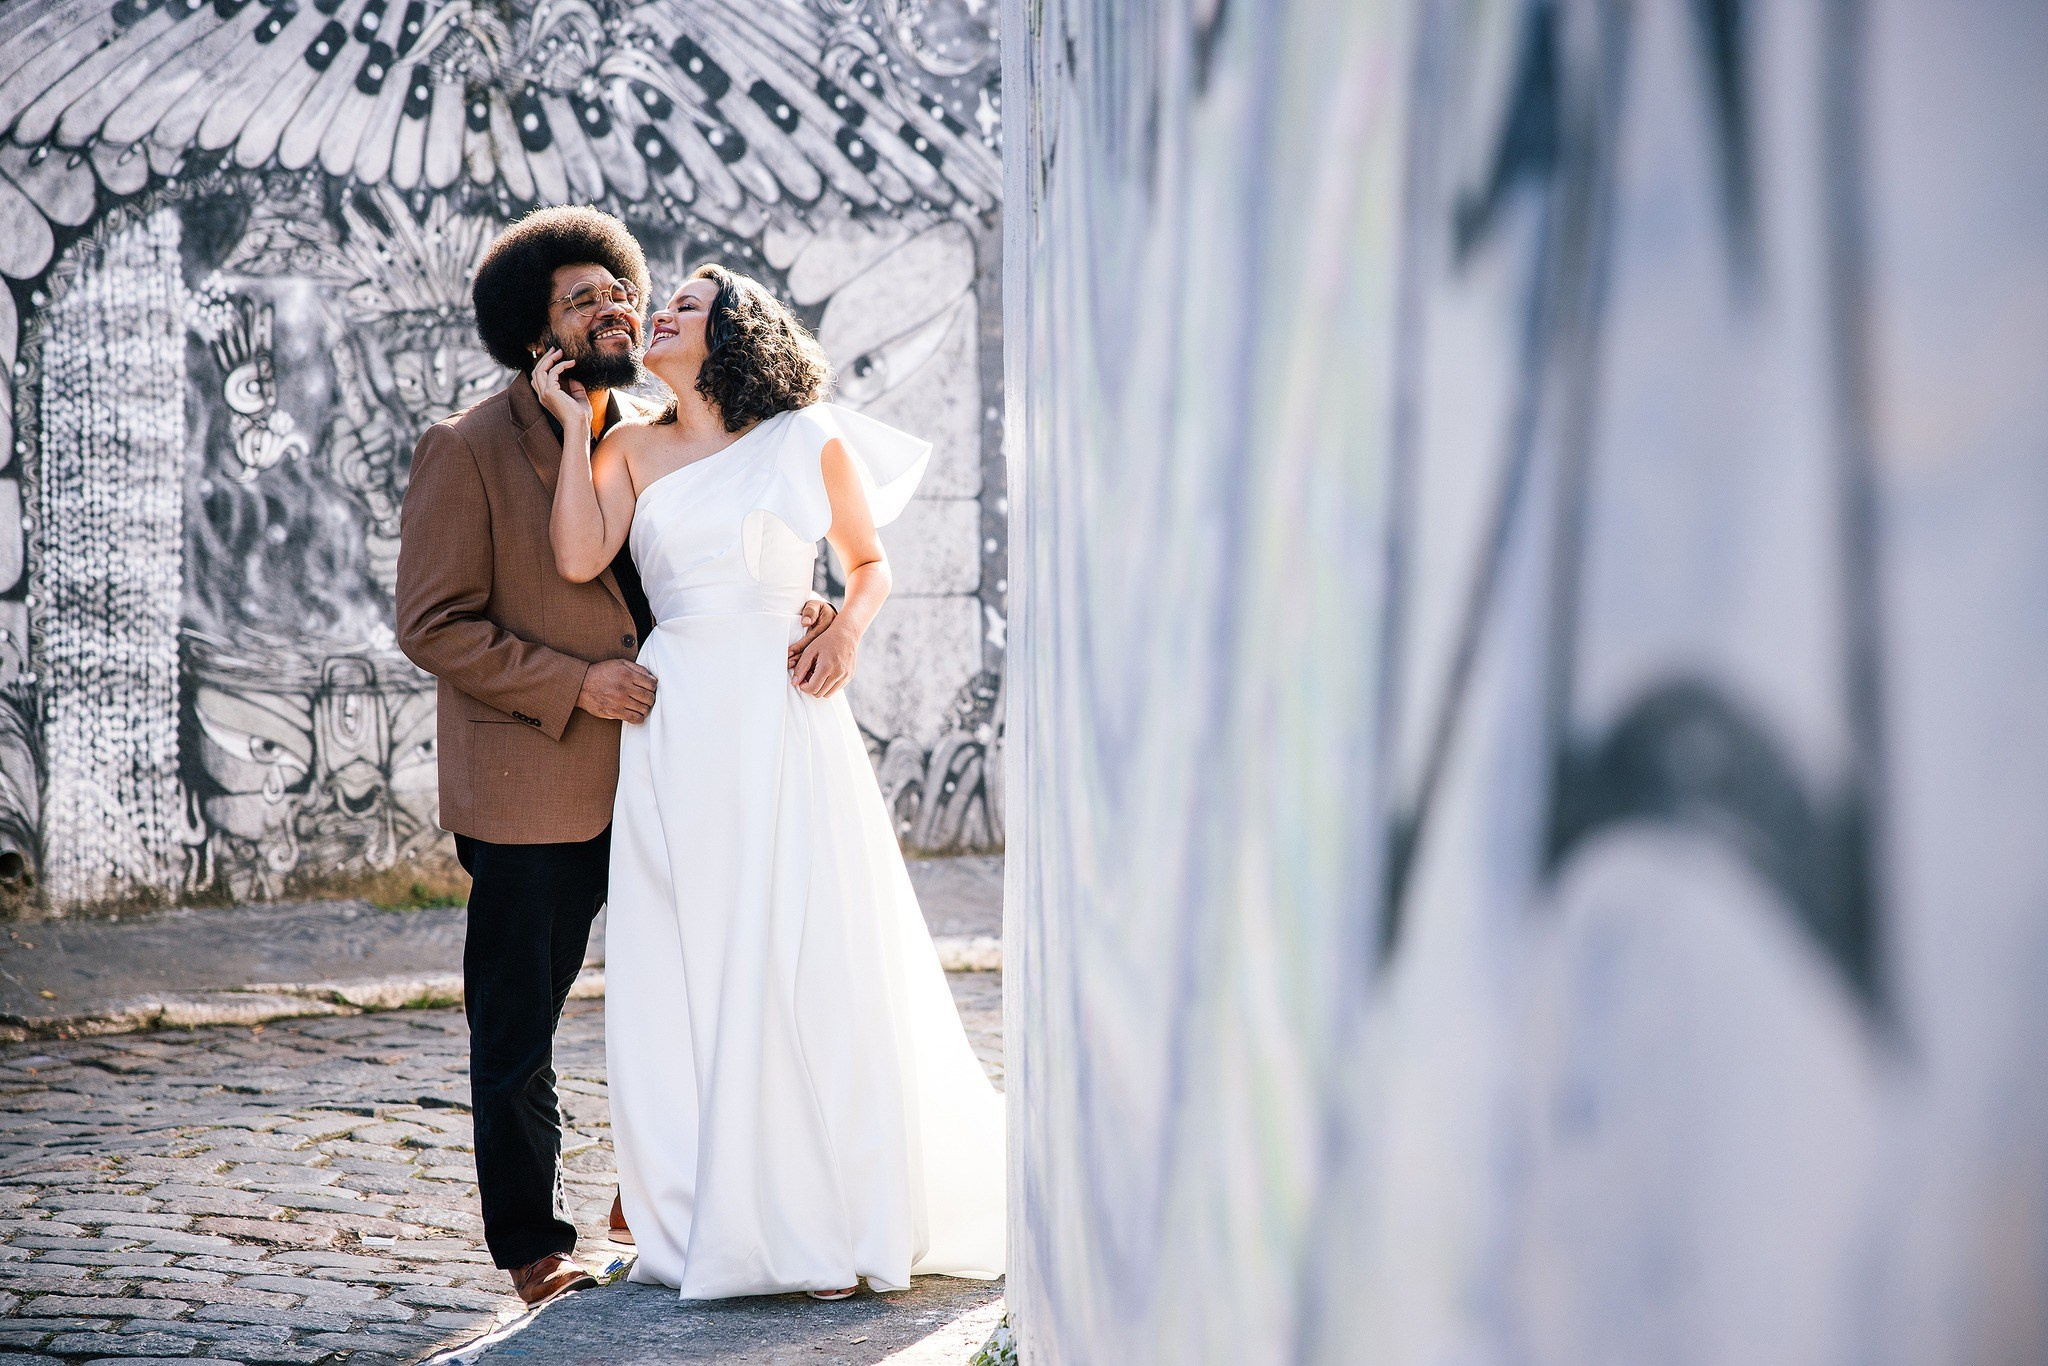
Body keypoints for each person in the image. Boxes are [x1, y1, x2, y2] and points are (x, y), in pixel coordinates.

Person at [394, 209, 837, 1306]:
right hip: (535, 785)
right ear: (530, 332)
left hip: (675, 774)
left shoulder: (658, 425)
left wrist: (802, 598)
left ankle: (661, 1198)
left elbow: (708, 568)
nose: (613, 310)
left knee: (685, 992)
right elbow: (432, 624)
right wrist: (573, 683)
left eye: (618, 290)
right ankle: (534, 1245)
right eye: (581, 300)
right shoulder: (466, 448)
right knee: (518, 1025)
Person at [538, 263, 1006, 1300]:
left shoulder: (803, 436)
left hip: (780, 712)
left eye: (684, 307)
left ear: (736, 332)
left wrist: (842, 626)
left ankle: (827, 1214)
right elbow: (578, 556)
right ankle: (721, 1214)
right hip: (676, 721)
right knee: (691, 959)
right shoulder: (627, 445)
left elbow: (868, 561)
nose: (659, 314)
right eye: (663, 305)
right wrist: (574, 425)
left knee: (804, 949)